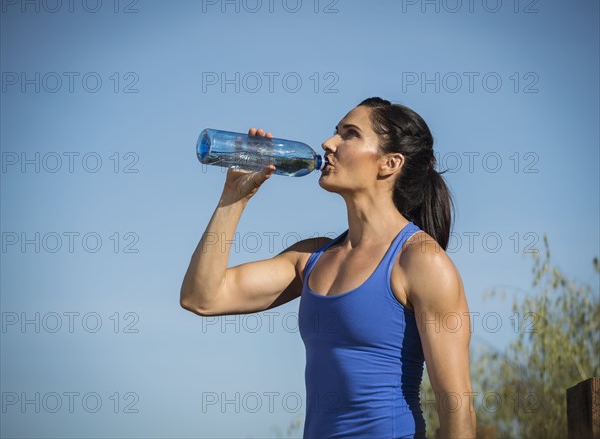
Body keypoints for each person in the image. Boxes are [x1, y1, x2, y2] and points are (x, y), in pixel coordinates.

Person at [180, 97, 477, 439]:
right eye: (335, 132)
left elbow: (457, 408)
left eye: (349, 134)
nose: (328, 143)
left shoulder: (419, 260)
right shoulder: (310, 259)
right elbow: (201, 297)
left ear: (389, 163)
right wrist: (233, 199)